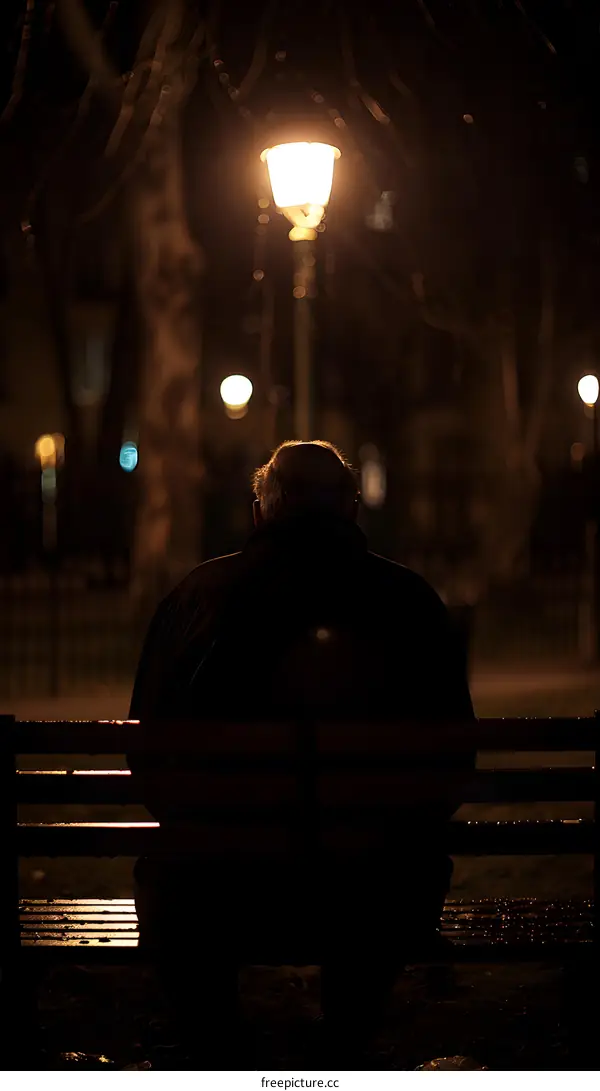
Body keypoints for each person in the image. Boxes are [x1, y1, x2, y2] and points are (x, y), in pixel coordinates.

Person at [128, 440, 475, 1067]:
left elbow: (146, 759)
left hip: (212, 898)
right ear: (351, 508)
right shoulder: (408, 602)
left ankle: (215, 1046)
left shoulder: (196, 598)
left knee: (177, 879)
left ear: (264, 509)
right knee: (389, 866)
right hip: (377, 897)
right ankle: (346, 1042)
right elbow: (451, 769)